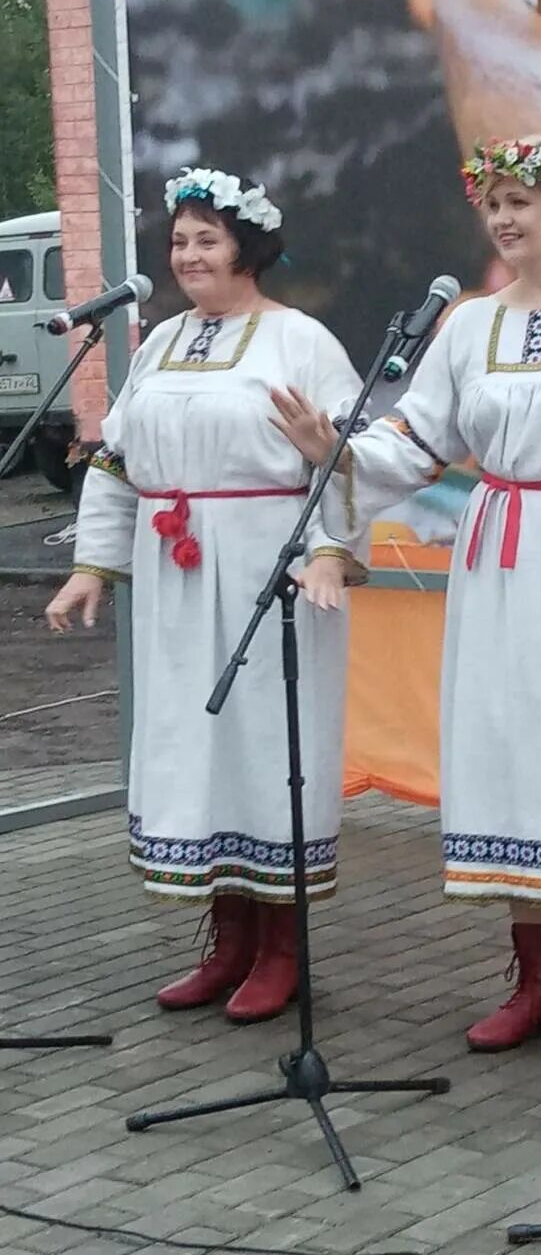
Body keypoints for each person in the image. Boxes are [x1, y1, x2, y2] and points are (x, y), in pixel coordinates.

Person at [272, 135, 541, 1063]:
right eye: (494, 204)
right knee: (510, 741)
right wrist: (339, 454)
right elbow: (415, 440)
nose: (506, 218)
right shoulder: (469, 325)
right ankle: (534, 981)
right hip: (499, 553)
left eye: (522, 201)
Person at [46, 169, 366, 1023]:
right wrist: (90, 566)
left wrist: (330, 548)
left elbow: (340, 453)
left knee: (267, 745)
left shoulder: (299, 341)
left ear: (247, 249)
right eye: (180, 240)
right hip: (175, 577)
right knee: (197, 744)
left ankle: (281, 951)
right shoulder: (157, 343)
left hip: (271, 569)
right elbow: (117, 459)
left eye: (206, 239)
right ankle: (226, 943)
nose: (188, 255)